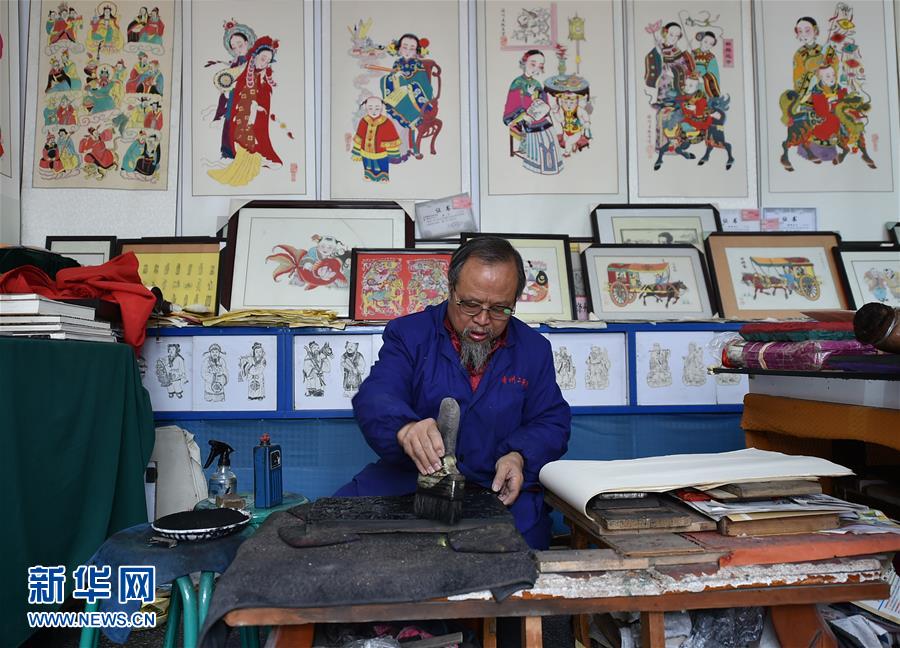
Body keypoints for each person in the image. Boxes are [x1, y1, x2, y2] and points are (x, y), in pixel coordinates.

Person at [336, 236, 571, 550]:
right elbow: (376, 396)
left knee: (520, 565)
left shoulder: (533, 349)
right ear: (451, 289)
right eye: (471, 304)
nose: (483, 320)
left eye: (500, 309)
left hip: (497, 492)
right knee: (335, 536)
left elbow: (551, 421)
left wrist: (519, 455)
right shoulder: (411, 335)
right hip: (412, 485)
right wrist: (405, 427)